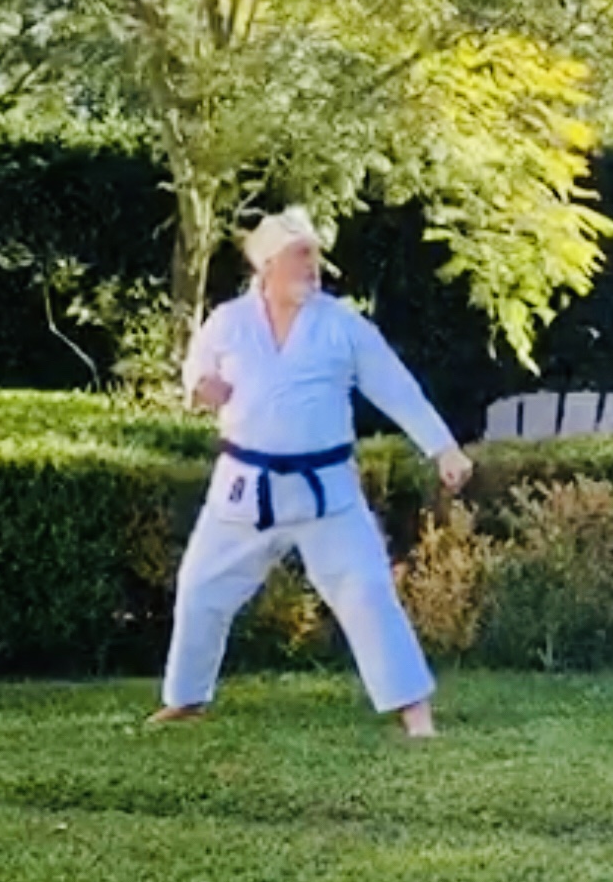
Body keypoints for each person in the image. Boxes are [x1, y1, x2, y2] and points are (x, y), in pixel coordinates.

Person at [148, 206, 473, 737]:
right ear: (268, 264)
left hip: (326, 491)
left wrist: (444, 448)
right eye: (301, 255)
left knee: (366, 588)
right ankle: (185, 698)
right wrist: (202, 388)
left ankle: (414, 709)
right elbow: (197, 371)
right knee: (202, 586)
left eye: (314, 255)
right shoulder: (229, 322)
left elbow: (395, 386)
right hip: (245, 487)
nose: (312, 265)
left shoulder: (342, 324)